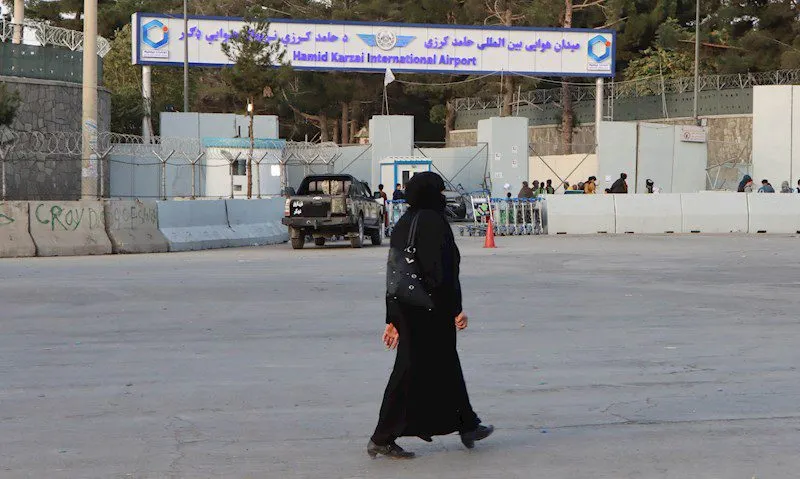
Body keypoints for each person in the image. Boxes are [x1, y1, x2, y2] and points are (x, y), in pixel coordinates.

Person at [369, 172, 493, 459]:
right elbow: (444, 272)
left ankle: (468, 424)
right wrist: (455, 308)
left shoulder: (405, 221)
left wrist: (393, 316)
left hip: (408, 306)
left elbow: (395, 273)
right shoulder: (433, 222)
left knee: (445, 365)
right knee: (409, 371)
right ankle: (381, 436)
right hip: (430, 310)